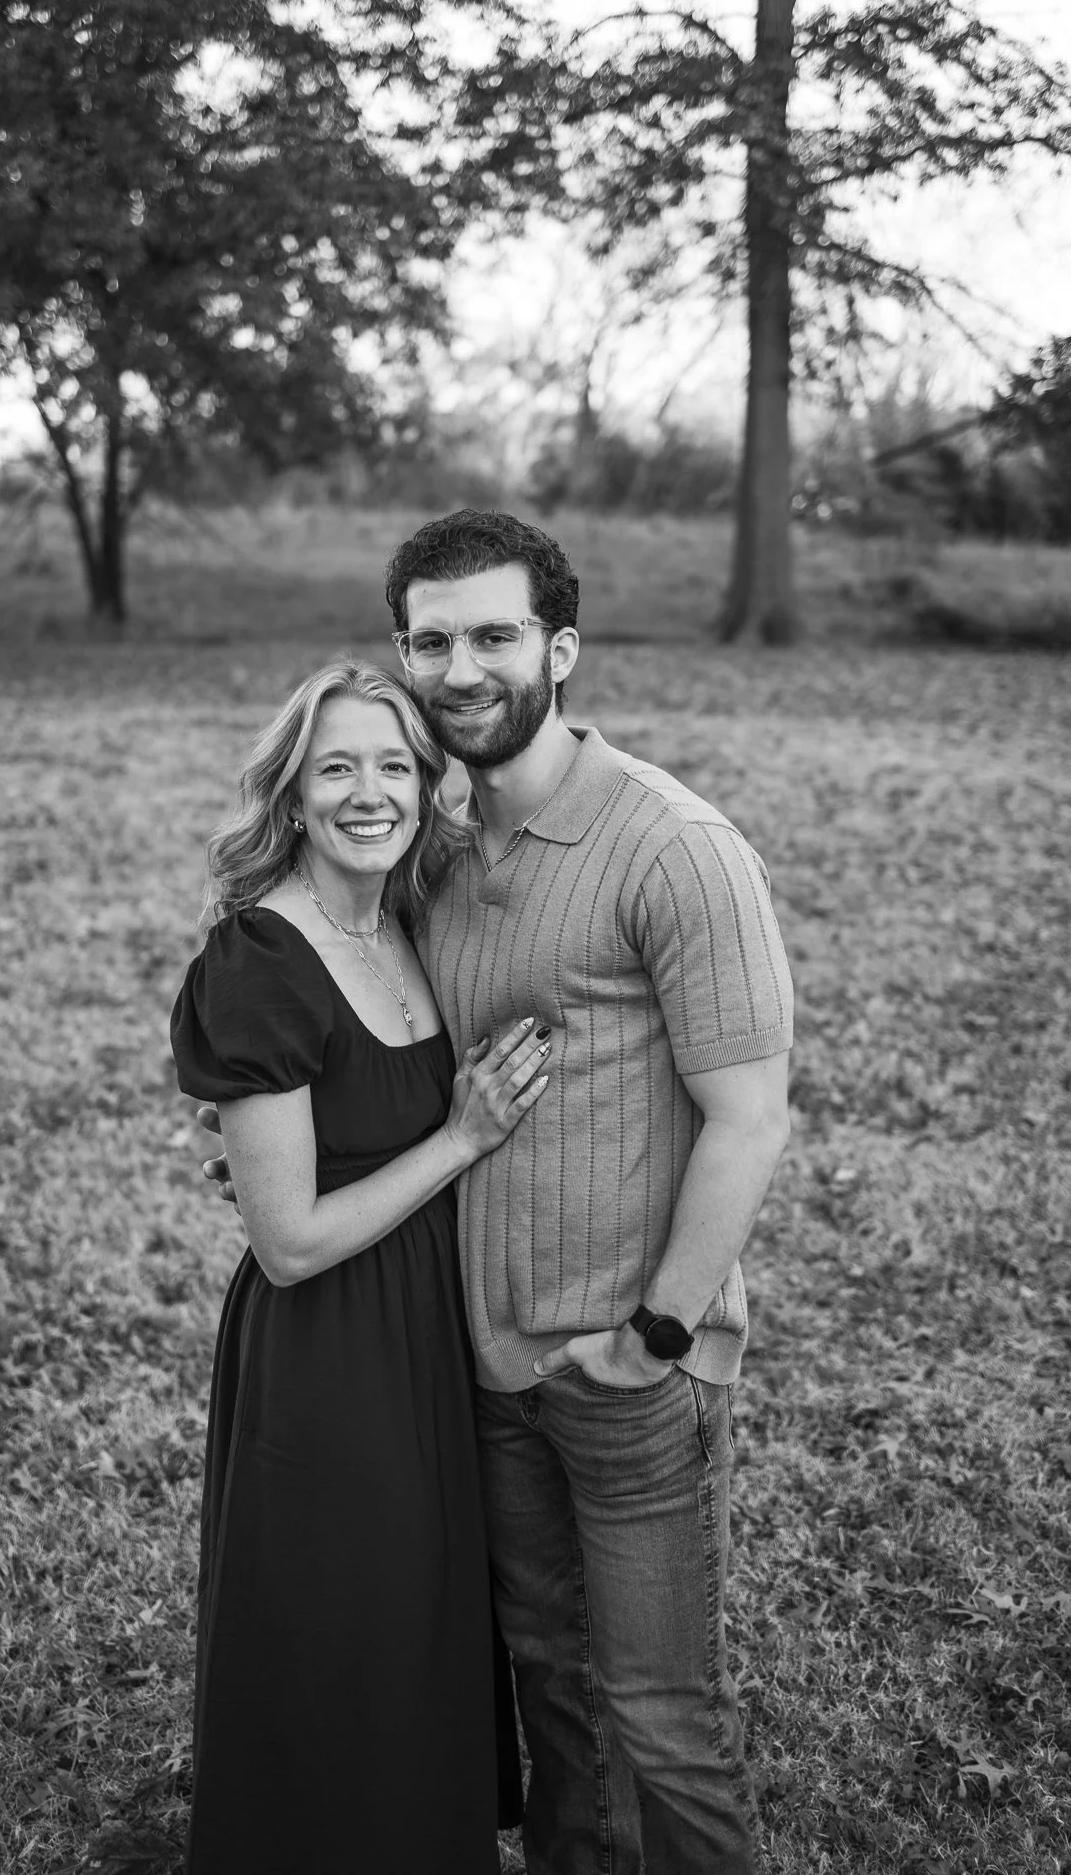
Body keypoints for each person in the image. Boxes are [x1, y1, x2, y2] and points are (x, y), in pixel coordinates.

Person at [201, 509, 795, 1875]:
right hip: (482, 1366)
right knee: (551, 1690)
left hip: (630, 1365)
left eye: (493, 635)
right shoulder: (438, 855)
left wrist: (655, 1333)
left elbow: (751, 1117)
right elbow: (352, 1036)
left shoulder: (674, 846)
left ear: (559, 649)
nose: (459, 668)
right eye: (431, 641)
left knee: (662, 1717)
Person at [169, 659, 546, 1875]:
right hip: (330, 1346)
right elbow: (286, 1241)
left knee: (425, 1616)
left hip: (430, 1324)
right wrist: (461, 1138)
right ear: (292, 792)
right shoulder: (260, 959)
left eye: (392, 764)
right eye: (335, 766)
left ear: (428, 784)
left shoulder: (404, 922)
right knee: (346, 1625)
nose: (367, 791)